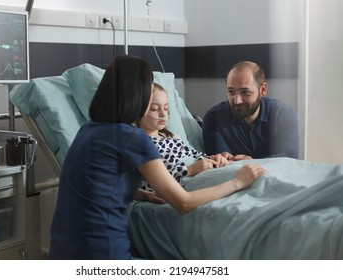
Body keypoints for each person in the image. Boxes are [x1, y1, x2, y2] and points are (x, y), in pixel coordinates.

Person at [49, 55, 265, 260]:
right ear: (137, 95)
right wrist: (238, 182)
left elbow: (96, 184)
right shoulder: (132, 138)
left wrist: (143, 194)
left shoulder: (88, 130)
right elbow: (184, 203)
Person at [138, 83, 229, 192]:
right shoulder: (140, 144)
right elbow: (148, 184)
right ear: (137, 110)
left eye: (166, 108)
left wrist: (214, 158)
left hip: (203, 170)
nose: (163, 113)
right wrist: (189, 170)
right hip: (186, 181)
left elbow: (193, 153)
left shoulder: (172, 136)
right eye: (154, 109)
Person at [202, 60, 299, 161]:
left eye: (245, 92)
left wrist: (253, 162)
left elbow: (289, 158)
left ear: (263, 90)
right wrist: (224, 159)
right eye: (231, 91)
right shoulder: (214, 118)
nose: (237, 100)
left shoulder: (283, 114)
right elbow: (222, 163)